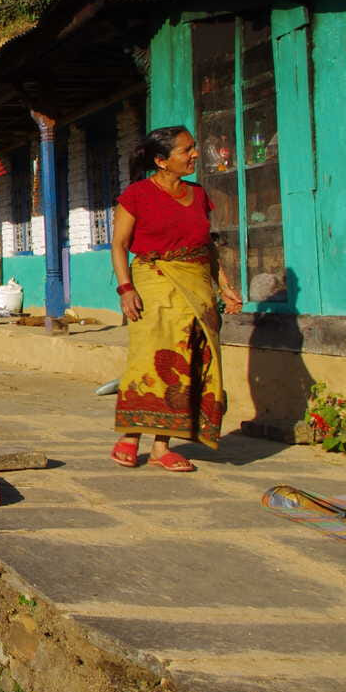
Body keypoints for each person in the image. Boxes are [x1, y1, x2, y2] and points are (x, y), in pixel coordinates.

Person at [110, 126, 242, 472]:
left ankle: (161, 445)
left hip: (196, 283)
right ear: (161, 160)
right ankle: (130, 436)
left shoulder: (198, 195)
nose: (195, 154)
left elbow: (206, 245)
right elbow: (120, 245)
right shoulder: (137, 195)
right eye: (186, 150)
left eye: (194, 147)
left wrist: (224, 285)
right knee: (151, 357)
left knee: (187, 360)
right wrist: (126, 289)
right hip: (154, 281)